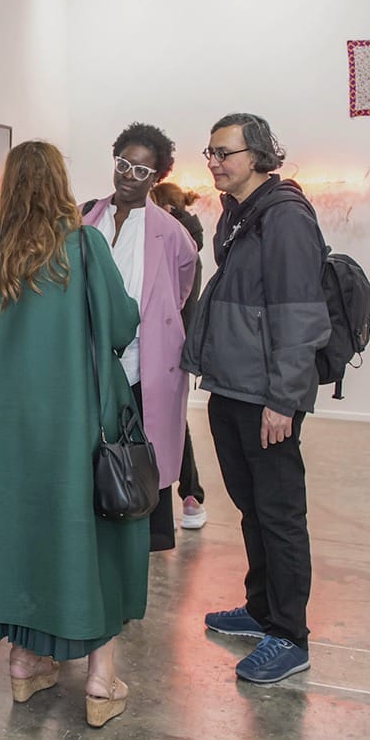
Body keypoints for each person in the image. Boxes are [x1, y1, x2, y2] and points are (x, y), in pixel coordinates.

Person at [0, 140, 146, 728]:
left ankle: (25, 663)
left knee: (21, 537)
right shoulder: (83, 245)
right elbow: (121, 325)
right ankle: (101, 681)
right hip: (73, 423)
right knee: (93, 538)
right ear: (60, 183)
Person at [182, 113, 330, 685]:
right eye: (210, 152)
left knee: (280, 514)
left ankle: (290, 635)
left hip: (266, 396)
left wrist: (284, 400)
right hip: (232, 386)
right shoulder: (239, 213)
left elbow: (300, 315)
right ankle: (262, 609)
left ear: (260, 155)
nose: (214, 162)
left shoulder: (285, 217)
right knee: (252, 507)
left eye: (225, 152)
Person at [81, 123, 198, 552]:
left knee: (143, 451)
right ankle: (95, 533)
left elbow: (182, 285)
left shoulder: (171, 232)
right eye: (123, 164)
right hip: (90, 357)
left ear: (157, 177)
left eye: (142, 170)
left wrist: (155, 322)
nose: (129, 176)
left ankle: (144, 539)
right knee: (92, 447)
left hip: (144, 359)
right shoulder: (85, 217)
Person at [151, 180, 209, 530]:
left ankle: (190, 495)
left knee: (169, 423)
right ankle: (189, 495)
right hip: (175, 345)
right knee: (170, 422)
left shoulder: (177, 245)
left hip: (170, 347)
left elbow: (178, 303)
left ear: (167, 209)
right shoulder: (185, 244)